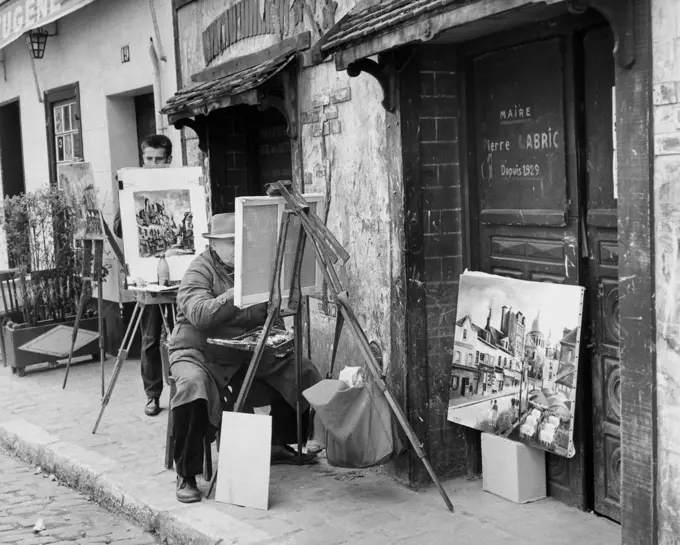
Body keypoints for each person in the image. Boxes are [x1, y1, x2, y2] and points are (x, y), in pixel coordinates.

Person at [168, 213, 321, 503]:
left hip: (242, 349)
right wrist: (236, 291)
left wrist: (277, 334)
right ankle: (186, 473)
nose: (236, 249)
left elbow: (267, 312)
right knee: (192, 386)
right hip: (198, 351)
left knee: (297, 367)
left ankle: (279, 443)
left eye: (240, 242)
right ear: (213, 244)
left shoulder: (255, 267)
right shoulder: (198, 270)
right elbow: (200, 315)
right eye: (229, 243)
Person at [114, 134, 173, 417]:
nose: (152, 164)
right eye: (148, 159)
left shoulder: (180, 183)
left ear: (168, 161)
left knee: (180, 335)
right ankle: (152, 395)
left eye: (158, 160)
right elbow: (117, 227)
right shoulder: (133, 186)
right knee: (150, 337)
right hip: (147, 277)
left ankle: (183, 392)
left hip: (175, 275)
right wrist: (131, 207)